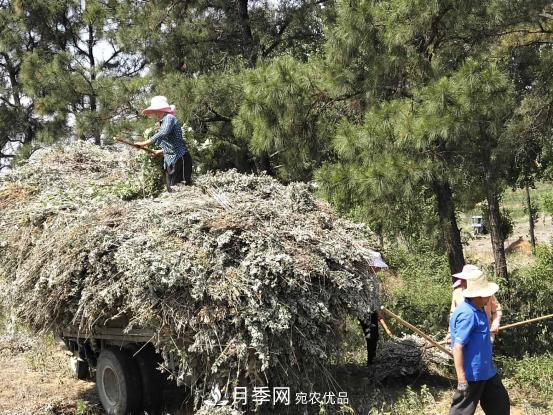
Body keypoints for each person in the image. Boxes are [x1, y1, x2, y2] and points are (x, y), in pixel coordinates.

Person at [449, 277, 510, 415]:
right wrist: (462, 380)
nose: (489, 297)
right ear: (477, 295)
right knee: (461, 412)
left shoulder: (479, 309)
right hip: (472, 375)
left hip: (487, 372)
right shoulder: (468, 314)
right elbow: (458, 347)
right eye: (486, 294)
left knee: (500, 405)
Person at [135, 96, 193, 190]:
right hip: (170, 160)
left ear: (160, 109)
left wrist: (144, 143)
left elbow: (163, 133)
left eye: (155, 110)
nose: (154, 113)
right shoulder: (163, 121)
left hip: (179, 158)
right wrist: (160, 151)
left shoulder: (169, 118)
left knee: (181, 188)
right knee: (171, 188)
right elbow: (172, 143)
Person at [450, 265, 502, 341]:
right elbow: (453, 315)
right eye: (462, 279)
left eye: (465, 280)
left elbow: (497, 310)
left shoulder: (487, 293)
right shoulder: (457, 293)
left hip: (486, 335)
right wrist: (450, 333)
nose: (463, 282)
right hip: (464, 337)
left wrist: (495, 323)